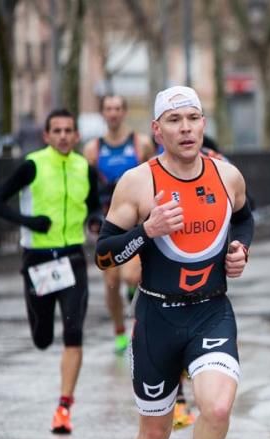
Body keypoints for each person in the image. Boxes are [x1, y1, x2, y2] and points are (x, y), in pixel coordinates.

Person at [94, 86, 253, 439]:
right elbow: (103, 255)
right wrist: (148, 231)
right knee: (155, 433)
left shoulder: (227, 175)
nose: (186, 128)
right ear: (157, 130)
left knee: (219, 406)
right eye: (175, 120)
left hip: (210, 310)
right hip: (157, 317)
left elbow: (244, 219)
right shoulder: (137, 183)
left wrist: (241, 250)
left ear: (203, 124)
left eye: (194, 118)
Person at [0, 109, 102, 435]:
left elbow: (94, 203)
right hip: (37, 259)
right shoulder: (32, 165)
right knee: (42, 338)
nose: (64, 136)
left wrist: (94, 219)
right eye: (57, 130)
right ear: (47, 136)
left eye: (69, 130)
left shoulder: (85, 168)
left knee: (73, 331)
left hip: (72, 258)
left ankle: (64, 407)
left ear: (77, 136)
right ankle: (41, 331)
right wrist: (29, 223)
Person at [84, 94, 155, 356]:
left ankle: (132, 291)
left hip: (135, 219)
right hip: (108, 220)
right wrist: (91, 217)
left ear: (124, 112)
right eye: (108, 109)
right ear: (103, 113)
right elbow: (89, 188)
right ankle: (119, 331)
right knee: (111, 280)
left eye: (117, 108)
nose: (113, 113)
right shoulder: (92, 149)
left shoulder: (141, 144)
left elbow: (151, 177)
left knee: (132, 275)